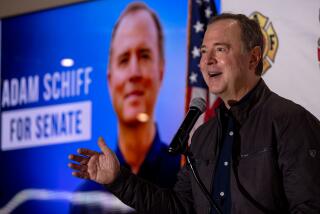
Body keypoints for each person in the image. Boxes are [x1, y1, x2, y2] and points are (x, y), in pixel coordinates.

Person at [68, 13, 320, 213]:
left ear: (253, 58)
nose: (207, 60)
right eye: (203, 52)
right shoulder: (202, 137)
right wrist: (119, 180)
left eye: (220, 49)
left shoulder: (292, 122)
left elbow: (310, 207)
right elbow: (180, 207)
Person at [69, 2, 181, 213]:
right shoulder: (84, 199)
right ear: (110, 80)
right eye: (123, 59)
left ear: (161, 71)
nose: (134, 73)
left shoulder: (185, 173)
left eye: (145, 55)